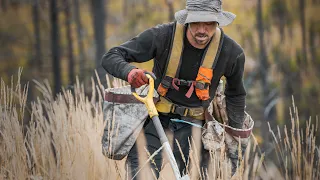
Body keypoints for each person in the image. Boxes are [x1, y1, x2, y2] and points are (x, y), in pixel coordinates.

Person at [101, 0, 249, 179]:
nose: (202, 30)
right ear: (187, 20)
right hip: (157, 121)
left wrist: (236, 141)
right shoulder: (162, 36)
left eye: (209, 23)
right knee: (140, 175)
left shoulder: (232, 52)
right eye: (196, 23)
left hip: (198, 128)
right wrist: (130, 72)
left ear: (218, 21)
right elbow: (111, 56)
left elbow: (236, 95)